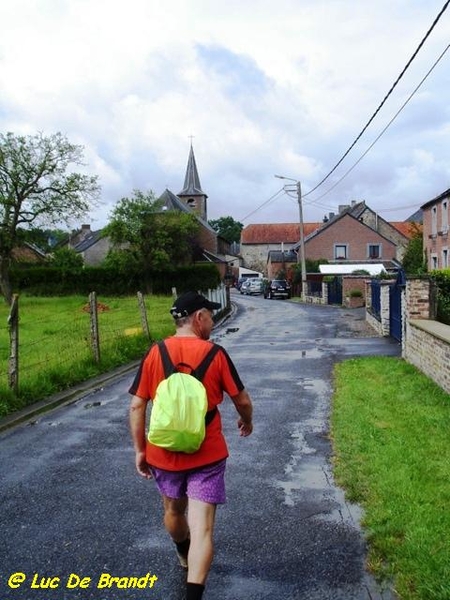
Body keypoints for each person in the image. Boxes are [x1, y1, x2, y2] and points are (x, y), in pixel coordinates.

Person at [129, 291, 253, 600]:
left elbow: (137, 405)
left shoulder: (155, 353)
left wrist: (140, 449)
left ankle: (183, 553)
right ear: (198, 318)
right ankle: (194, 594)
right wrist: (246, 420)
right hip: (207, 454)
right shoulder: (216, 354)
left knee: (173, 509)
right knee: (204, 529)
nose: (212, 321)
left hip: (163, 452)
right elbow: (242, 399)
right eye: (209, 316)